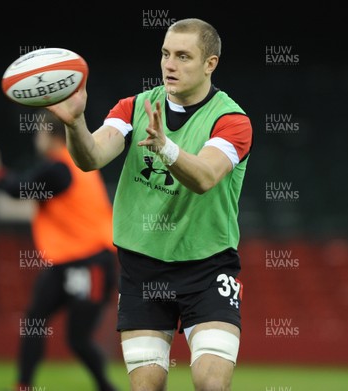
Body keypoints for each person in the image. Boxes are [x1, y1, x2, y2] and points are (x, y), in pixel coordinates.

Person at [47, 17, 253, 391]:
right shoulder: (134, 107)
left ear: (211, 64)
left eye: (183, 56)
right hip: (142, 269)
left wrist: (165, 147)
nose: (169, 65)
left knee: (211, 385)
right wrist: (75, 122)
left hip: (207, 268)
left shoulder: (232, 121)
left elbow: (205, 177)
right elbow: (91, 157)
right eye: (165, 54)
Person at [0, 111, 118, 391]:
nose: (36, 138)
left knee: (77, 339)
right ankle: (24, 385)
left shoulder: (61, 167)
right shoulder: (65, 167)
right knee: (34, 320)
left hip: (90, 261)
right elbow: (22, 189)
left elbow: (18, 189)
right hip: (67, 262)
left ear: (49, 135)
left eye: (38, 132)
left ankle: (107, 387)